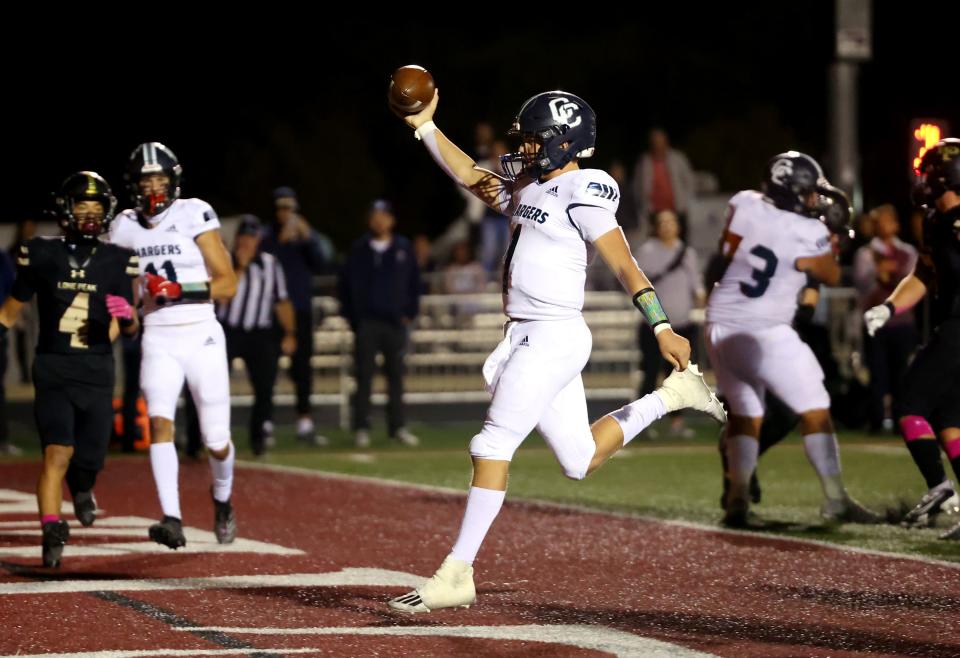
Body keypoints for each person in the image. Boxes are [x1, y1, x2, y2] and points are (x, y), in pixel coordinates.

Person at [386, 89, 725, 613]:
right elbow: (472, 177)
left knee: (492, 443)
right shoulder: (530, 185)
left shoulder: (585, 188)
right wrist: (426, 129)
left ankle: (457, 571)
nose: (520, 149)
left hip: (553, 334)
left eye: (529, 140)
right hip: (526, 333)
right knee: (579, 458)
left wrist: (662, 326)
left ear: (563, 143)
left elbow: (625, 265)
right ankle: (673, 397)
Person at [707, 152, 881, 528]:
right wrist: (821, 242)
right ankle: (836, 499)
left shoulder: (744, 203)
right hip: (765, 327)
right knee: (816, 407)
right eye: (810, 193)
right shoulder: (809, 232)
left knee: (745, 411)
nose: (814, 200)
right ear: (795, 190)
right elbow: (831, 274)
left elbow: (727, 248)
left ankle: (736, 498)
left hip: (720, 321)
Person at [0, 172, 139, 567]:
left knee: (90, 458)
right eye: (83, 206)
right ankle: (50, 527)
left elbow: (128, 327)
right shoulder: (42, 253)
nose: (91, 215)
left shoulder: (117, 259)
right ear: (65, 210)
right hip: (53, 367)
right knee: (55, 453)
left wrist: (126, 319)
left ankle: (82, 488)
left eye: (97, 208)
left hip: (96, 369)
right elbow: (12, 310)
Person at [109, 142, 238, 549]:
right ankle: (172, 517)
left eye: (160, 179)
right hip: (158, 336)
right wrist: (122, 313)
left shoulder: (193, 213)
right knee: (160, 423)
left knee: (216, 441)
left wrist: (180, 287)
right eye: (146, 180)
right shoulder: (123, 226)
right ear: (132, 184)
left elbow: (228, 282)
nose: (153, 188)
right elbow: (122, 288)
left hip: (200, 333)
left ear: (174, 181)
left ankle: (223, 498)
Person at [865, 138, 960, 539]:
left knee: (909, 405)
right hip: (949, 325)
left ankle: (939, 486)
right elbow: (924, 273)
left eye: (930, 175)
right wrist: (889, 307)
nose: (923, 182)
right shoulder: (938, 222)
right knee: (948, 419)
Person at [338, 200, 422, 448]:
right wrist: (353, 318)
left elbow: (415, 284)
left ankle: (397, 427)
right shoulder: (359, 249)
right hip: (367, 322)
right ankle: (362, 427)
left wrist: (409, 313)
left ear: (391, 220)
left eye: (383, 215)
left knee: (395, 377)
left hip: (395, 323)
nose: (379, 220)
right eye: (375, 215)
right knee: (363, 377)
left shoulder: (403, 248)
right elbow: (344, 286)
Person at [216, 215, 298, 456]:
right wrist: (240, 266)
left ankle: (258, 438)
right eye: (243, 237)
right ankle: (205, 438)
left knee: (265, 387)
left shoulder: (270, 264)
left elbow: (282, 301)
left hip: (259, 333)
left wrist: (290, 333)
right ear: (237, 238)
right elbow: (223, 296)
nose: (247, 243)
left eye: (251, 238)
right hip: (228, 330)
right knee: (213, 387)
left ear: (258, 239)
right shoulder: (224, 261)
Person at [260, 186, 329, 446]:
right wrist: (280, 242)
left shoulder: (304, 238)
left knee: (302, 370)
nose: (285, 213)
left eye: (289, 208)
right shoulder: (266, 237)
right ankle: (264, 423)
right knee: (267, 370)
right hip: (272, 312)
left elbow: (323, 263)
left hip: (299, 311)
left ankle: (304, 422)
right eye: (281, 208)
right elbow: (263, 261)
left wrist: (308, 237)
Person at [634, 209, 705, 437]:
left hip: (682, 325)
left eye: (671, 222)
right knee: (650, 374)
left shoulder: (687, 253)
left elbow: (697, 286)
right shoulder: (646, 251)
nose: (667, 226)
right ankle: (640, 424)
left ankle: (677, 423)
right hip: (653, 327)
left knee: (679, 376)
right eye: (662, 222)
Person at [853, 204, 918, 433]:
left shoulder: (908, 251)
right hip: (876, 322)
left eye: (888, 220)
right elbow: (863, 283)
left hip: (902, 322)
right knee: (877, 373)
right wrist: (880, 274)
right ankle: (877, 421)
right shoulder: (866, 253)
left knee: (902, 374)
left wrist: (888, 274)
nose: (884, 225)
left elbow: (911, 282)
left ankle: (903, 421)